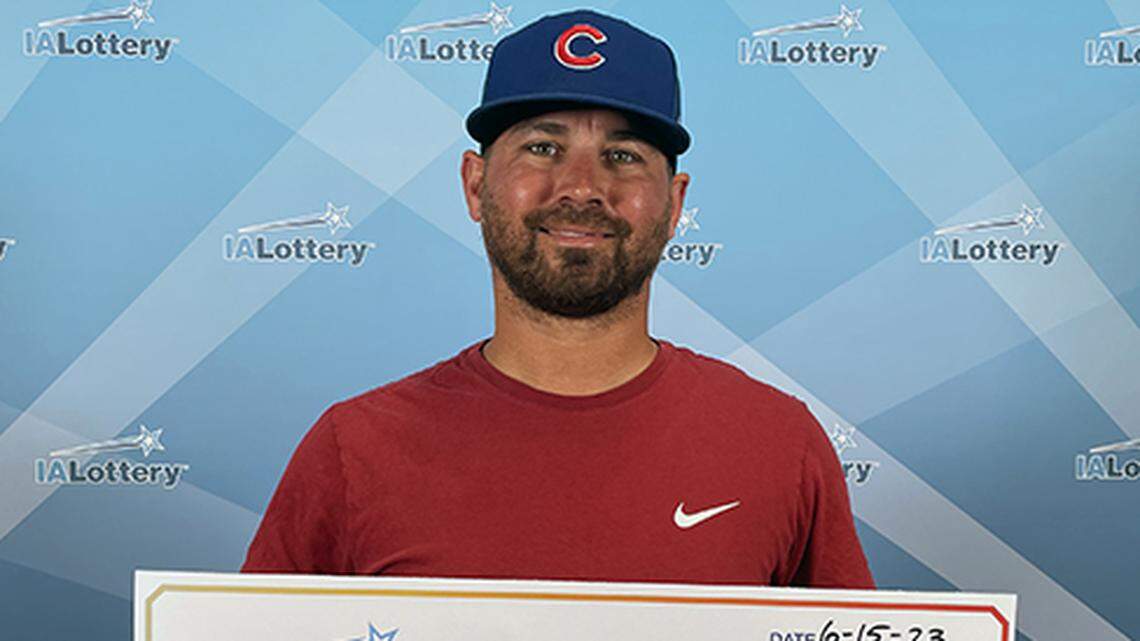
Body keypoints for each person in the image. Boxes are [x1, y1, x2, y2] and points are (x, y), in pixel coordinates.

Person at [241, 8, 874, 589]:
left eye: (622, 155)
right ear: (475, 183)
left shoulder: (778, 443)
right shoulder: (354, 449)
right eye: (543, 148)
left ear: (676, 203)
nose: (581, 187)